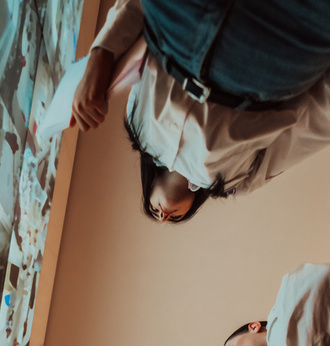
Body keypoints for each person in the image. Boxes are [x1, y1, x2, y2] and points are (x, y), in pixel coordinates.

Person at [71, 0, 330, 223]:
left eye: (153, 210)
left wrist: (101, 51)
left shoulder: (136, 123)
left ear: (147, 185)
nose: (163, 215)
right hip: (276, 52)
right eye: (174, 219)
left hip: (180, 24)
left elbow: (142, 19)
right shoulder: (238, 183)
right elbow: (311, 126)